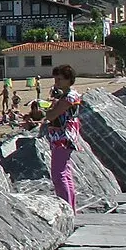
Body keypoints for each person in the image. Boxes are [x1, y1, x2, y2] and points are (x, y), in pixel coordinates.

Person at [41, 64, 85, 214]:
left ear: (68, 79)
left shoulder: (69, 97)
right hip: (65, 137)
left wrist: (48, 110)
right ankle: (71, 208)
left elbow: (52, 115)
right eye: (55, 79)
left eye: (59, 79)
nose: (56, 82)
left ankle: (67, 208)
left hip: (63, 137)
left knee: (59, 175)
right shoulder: (67, 96)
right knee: (66, 173)